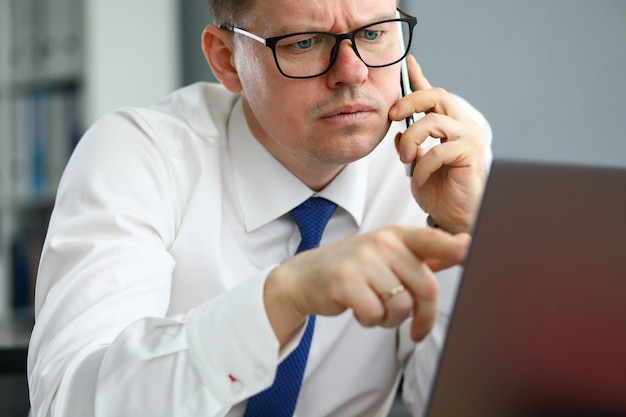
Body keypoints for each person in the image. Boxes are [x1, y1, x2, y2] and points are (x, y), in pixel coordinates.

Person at [27, 0, 492, 415]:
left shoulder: (440, 153)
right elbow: (67, 404)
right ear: (226, 60)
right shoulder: (139, 155)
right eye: (305, 42)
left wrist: (465, 238)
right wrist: (282, 297)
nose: (351, 71)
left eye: (372, 34)